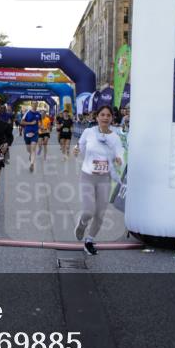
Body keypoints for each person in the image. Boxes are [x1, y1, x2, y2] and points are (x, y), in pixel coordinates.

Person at [73, 105, 122, 255]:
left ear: (112, 118)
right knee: (89, 211)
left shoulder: (115, 137)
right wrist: (76, 149)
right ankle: (82, 224)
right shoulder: (89, 132)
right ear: (97, 117)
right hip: (88, 176)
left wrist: (118, 158)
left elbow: (119, 152)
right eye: (102, 115)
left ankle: (89, 241)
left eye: (108, 115)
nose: (105, 117)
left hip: (104, 178)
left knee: (100, 213)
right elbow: (80, 145)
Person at [19, 104, 42, 172]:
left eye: (36, 104)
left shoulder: (38, 114)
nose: (35, 105)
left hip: (35, 133)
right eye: (34, 104)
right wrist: (31, 123)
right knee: (28, 149)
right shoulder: (27, 113)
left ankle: (32, 164)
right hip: (27, 133)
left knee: (33, 149)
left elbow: (40, 122)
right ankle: (30, 154)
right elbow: (22, 122)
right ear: (32, 105)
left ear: (37, 105)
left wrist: (40, 127)